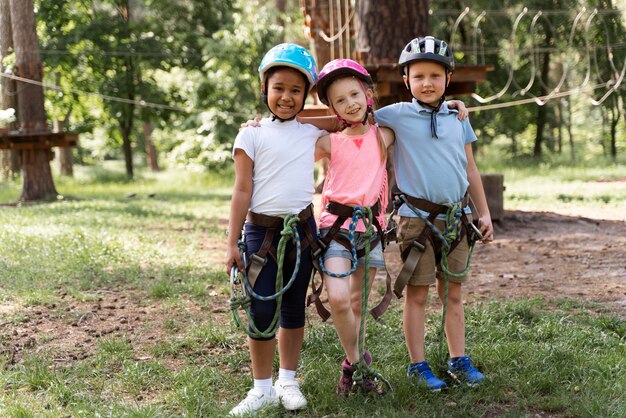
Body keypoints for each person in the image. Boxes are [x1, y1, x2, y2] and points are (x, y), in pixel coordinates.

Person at [374, 35, 494, 391]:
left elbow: (470, 169)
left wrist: (483, 213)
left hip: (458, 218)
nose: (427, 83)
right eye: (419, 76)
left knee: (453, 292)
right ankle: (418, 364)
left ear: (448, 79)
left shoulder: (458, 117)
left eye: (435, 76)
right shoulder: (394, 115)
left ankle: (459, 360)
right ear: (406, 79)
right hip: (417, 221)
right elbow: (351, 119)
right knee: (418, 294)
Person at [225, 43, 325, 416]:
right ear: (264, 89)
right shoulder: (250, 135)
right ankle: (262, 387)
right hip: (261, 235)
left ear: (307, 95)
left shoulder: (310, 134)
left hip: (302, 231)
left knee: (294, 308)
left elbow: (350, 119)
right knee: (262, 309)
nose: (286, 97)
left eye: (296, 90)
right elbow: (241, 190)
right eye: (278, 87)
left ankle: (288, 379)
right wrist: (233, 242)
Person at [313, 59, 395, 395]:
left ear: (368, 94)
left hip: (370, 230)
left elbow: (421, 115)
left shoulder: (385, 135)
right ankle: (359, 362)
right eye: (340, 100)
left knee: (358, 304)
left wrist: (455, 104)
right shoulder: (328, 142)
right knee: (339, 300)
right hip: (335, 229)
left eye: (354, 94)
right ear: (332, 108)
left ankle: (351, 370)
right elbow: (288, 138)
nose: (350, 103)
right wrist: (259, 126)